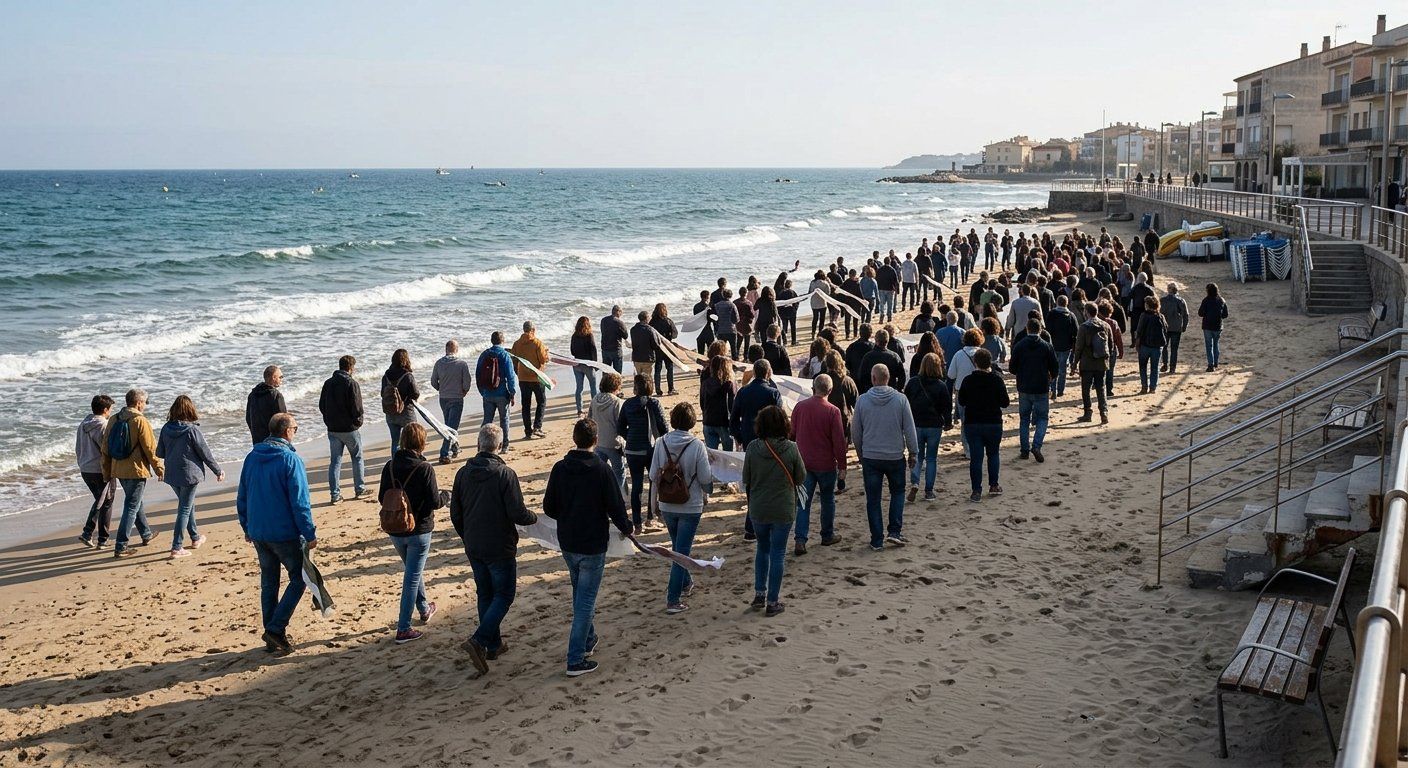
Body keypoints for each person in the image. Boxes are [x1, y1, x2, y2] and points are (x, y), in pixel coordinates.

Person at [542, 418, 634, 676]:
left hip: (569, 542)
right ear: (595, 441)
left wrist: (569, 511)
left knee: (580, 594)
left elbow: (549, 507)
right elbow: (616, 506)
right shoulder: (601, 470)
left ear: (575, 439)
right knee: (585, 601)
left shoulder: (560, 468)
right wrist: (627, 527)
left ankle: (588, 638)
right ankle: (575, 658)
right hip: (591, 544)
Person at [451, 423, 536, 674]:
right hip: (499, 545)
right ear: (498, 446)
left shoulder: (463, 474)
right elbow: (517, 512)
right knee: (504, 595)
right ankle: (479, 640)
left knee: (485, 594)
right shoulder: (504, 474)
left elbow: (455, 512)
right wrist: (535, 518)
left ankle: (494, 645)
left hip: (475, 544)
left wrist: (467, 536)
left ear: (479, 444)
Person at [236, 413, 316, 655]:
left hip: (259, 530)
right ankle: (275, 628)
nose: (296, 431)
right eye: (295, 427)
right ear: (286, 431)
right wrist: (309, 532)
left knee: (269, 582)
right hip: (283, 533)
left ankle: (272, 635)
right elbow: (300, 502)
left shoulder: (252, 457)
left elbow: (242, 495)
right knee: (299, 578)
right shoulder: (290, 459)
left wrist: (247, 526)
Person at [377, 423, 447, 644]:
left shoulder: (389, 466)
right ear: (422, 443)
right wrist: (447, 495)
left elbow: (382, 497)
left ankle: (424, 608)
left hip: (395, 528)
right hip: (419, 530)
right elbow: (435, 502)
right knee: (412, 577)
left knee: (412, 571)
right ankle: (404, 628)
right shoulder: (424, 468)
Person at [741, 405, 804, 617]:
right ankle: (773, 600)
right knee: (778, 553)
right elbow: (801, 477)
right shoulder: (792, 448)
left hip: (759, 507)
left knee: (762, 549)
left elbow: (746, 479)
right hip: (783, 508)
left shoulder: (752, 448)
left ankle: (760, 593)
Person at [650, 403, 713, 613]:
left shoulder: (660, 442)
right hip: (690, 505)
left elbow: (652, 475)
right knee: (680, 553)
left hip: (667, 503)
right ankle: (673, 599)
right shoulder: (696, 445)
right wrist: (710, 488)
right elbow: (705, 478)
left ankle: (685, 583)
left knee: (678, 547)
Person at [852, 364, 917, 551]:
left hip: (871, 456)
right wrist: (913, 452)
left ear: (873, 378)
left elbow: (856, 431)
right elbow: (909, 429)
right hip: (895, 455)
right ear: (888, 378)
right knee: (897, 492)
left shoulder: (862, 401)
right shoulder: (900, 400)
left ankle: (877, 539)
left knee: (873, 499)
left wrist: (860, 453)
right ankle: (894, 531)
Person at [156, 395, 224, 558]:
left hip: (172, 473)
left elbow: (160, 452)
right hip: (189, 474)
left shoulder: (166, 428)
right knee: (185, 508)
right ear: (189, 409)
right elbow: (205, 453)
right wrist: (217, 470)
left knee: (187, 505)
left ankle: (195, 537)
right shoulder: (192, 430)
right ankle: (176, 547)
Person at [103, 389, 164, 558]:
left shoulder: (114, 419)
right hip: (136, 470)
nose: (145, 406)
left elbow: (105, 448)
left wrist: (106, 471)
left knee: (135, 502)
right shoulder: (140, 421)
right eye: (144, 403)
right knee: (132, 505)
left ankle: (146, 534)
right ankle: (121, 545)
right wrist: (159, 468)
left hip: (118, 469)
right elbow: (151, 449)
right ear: (138, 403)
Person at [791, 374, 847, 553]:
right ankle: (827, 534)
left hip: (804, 462)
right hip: (825, 463)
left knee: (803, 503)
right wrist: (843, 466)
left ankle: (800, 539)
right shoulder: (833, 411)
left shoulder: (800, 407)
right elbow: (839, 441)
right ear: (830, 390)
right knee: (827, 499)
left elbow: (791, 434)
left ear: (813, 388)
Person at [617, 374, 668, 534]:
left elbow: (620, 428)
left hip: (632, 450)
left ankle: (637, 523)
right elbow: (664, 427)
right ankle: (650, 517)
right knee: (654, 484)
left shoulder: (627, 404)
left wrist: (630, 437)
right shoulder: (654, 403)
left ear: (636, 387)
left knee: (637, 486)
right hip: (651, 449)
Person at [958, 348, 1009, 502]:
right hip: (993, 422)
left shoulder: (968, 380)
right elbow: (1005, 403)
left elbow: (961, 401)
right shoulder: (996, 379)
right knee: (993, 454)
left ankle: (976, 490)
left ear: (975, 363)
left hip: (973, 423)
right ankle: (993, 485)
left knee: (976, 458)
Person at [902, 353, 951, 502]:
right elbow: (946, 408)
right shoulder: (941, 386)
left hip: (916, 424)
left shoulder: (913, 383)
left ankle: (915, 482)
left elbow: (906, 403)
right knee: (931, 458)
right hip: (934, 425)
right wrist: (948, 422)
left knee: (917, 455)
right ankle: (929, 490)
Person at [319, 355, 367, 503]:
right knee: (357, 457)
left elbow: (321, 405)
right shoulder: (351, 383)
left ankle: (335, 495)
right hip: (349, 428)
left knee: (335, 461)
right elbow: (357, 408)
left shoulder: (328, 383)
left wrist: (328, 419)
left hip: (333, 428)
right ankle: (359, 489)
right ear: (351, 368)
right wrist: (358, 422)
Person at [1009, 318, 1057, 462]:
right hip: (1041, 387)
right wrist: (1051, 377)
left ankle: (1025, 450)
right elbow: (1055, 368)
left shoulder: (1019, 346)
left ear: (1027, 328)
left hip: (1024, 387)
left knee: (1024, 419)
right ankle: (1036, 445)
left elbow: (1012, 368)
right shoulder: (1046, 346)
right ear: (1040, 329)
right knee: (1042, 418)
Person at [76, 394, 116, 549]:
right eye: (110, 409)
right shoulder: (103, 425)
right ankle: (99, 538)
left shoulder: (83, 424)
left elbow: (78, 446)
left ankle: (91, 534)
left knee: (100, 500)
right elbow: (106, 449)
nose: (111, 412)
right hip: (100, 469)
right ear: (105, 410)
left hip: (85, 468)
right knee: (106, 501)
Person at [431, 340, 473, 464]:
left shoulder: (438, 363)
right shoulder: (461, 364)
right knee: (451, 427)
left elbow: (433, 382)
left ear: (446, 350)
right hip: (456, 398)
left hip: (443, 398)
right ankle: (444, 453)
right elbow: (467, 383)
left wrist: (441, 388)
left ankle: (455, 447)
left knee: (449, 425)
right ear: (457, 350)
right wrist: (464, 391)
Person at [477, 331, 519, 451]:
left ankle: (481, 445)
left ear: (491, 340)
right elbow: (510, 376)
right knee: (504, 419)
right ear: (502, 341)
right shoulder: (505, 355)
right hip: (501, 393)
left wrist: (482, 391)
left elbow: (478, 374)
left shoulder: (484, 354)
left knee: (487, 421)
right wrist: (512, 392)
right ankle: (504, 446)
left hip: (487, 393)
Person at [1073, 302, 1111, 424]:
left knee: (1086, 389)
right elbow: (1110, 344)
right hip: (1101, 362)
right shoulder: (1105, 325)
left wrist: (1074, 363)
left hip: (1087, 362)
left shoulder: (1084, 327)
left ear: (1087, 313)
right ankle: (1103, 413)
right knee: (1101, 388)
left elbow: (1078, 347)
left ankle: (1088, 413)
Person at [511, 321, 550, 441]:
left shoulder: (517, 344)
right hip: (536, 377)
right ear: (533, 330)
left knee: (526, 405)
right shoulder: (537, 343)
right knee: (541, 401)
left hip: (523, 378)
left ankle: (528, 431)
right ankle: (537, 427)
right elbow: (543, 360)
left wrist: (518, 373)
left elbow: (514, 360)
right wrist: (547, 354)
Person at [590, 372, 627, 495]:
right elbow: (621, 424)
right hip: (614, 443)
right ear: (616, 387)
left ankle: (601, 495)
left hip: (598, 442)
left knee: (599, 473)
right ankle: (618, 496)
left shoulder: (595, 399)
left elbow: (590, 419)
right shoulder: (617, 402)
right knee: (619, 472)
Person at [382, 349, 420, 448]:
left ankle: (395, 462)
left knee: (395, 442)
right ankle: (414, 461)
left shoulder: (386, 376)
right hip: (406, 412)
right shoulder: (407, 376)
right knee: (413, 439)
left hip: (390, 412)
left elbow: (382, 393)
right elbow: (415, 393)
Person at [699, 355, 736, 451]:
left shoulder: (705, 383)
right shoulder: (728, 384)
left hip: (708, 421)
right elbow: (732, 406)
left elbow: (702, 403)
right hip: (724, 422)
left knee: (712, 456)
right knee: (728, 454)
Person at [1046, 296, 1079, 399]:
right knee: (1062, 369)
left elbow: (1047, 330)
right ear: (1067, 303)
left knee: (1052, 368)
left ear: (1057, 302)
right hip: (1066, 346)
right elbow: (1076, 332)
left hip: (1053, 345)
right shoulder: (1071, 315)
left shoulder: (1051, 314)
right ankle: (1060, 390)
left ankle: (1052, 389)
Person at [245, 365, 287, 445]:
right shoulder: (276, 395)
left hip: (257, 440)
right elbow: (283, 421)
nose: (282, 379)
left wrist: (255, 433)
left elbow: (248, 418)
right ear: (274, 377)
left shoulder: (252, 394)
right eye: (280, 377)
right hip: (274, 442)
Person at [1135, 295, 1169, 394]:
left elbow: (1139, 331)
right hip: (1157, 346)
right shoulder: (1160, 316)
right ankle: (1153, 387)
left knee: (1143, 367)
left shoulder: (1144, 315)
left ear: (1147, 305)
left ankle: (1144, 387)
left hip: (1145, 345)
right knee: (1155, 368)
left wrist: (1137, 344)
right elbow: (1166, 328)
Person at [858, 329, 905, 394]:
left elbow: (861, 377)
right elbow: (902, 377)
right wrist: (897, 390)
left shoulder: (868, 357)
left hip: (872, 393)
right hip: (890, 393)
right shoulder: (894, 357)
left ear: (876, 340)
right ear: (887, 341)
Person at [570, 316, 600, 416]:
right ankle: (595, 408)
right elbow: (593, 349)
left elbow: (572, 351)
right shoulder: (589, 335)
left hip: (577, 364)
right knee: (593, 386)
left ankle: (579, 410)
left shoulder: (574, 336)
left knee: (579, 388)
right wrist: (595, 364)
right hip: (588, 364)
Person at [650, 303, 680, 395]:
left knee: (657, 369)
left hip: (657, 348)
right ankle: (671, 389)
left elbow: (650, 335)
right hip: (667, 347)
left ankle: (658, 390)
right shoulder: (668, 321)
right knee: (669, 368)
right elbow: (675, 334)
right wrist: (669, 335)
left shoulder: (652, 322)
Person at [1199, 282, 1229, 372]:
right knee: (1216, 345)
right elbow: (1225, 314)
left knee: (1209, 346)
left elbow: (1200, 313)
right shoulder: (1221, 300)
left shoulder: (1205, 300)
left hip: (1207, 326)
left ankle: (1210, 365)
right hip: (1218, 326)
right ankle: (1216, 363)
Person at [1160, 283, 1189, 373]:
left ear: (1169, 290)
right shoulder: (1180, 301)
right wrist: (1184, 326)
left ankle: (1165, 364)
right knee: (1174, 348)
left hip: (1165, 326)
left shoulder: (1163, 300)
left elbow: (1159, 313)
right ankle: (1172, 367)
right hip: (1176, 327)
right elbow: (1186, 315)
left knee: (1164, 346)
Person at [600, 306, 629, 374]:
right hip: (616, 349)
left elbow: (603, 331)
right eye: (621, 312)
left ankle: (605, 384)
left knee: (605, 371)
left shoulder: (603, 320)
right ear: (618, 312)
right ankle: (616, 384)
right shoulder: (619, 322)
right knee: (617, 372)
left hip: (605, 349)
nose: (621, 314)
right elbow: (625, 336)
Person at [713, 288, 741, 360]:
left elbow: (714, 318)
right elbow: (737, 319)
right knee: (733, 349)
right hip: (731, 330)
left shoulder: (717, 305)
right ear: (731, 296)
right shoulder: (732, 305)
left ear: (723, 295)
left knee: (721, 350)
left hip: (721, 330)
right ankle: (734, 363)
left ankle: (720, 364)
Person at [807, 271, 832, 340]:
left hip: (814, 303)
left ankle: (813, 333)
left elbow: (810, 292)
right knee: (822, 319)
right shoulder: (825, 283)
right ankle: (820, 333)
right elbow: (828, 293)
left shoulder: (812, 283)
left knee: (815, 318)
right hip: (822, 303)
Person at [692, 290, 716, 355]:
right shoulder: (708, 308)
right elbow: (711, 319)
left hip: (699, 330)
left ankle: (700, 364)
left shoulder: (696, 306)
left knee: (700, 352)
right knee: (711, 351)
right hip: (707, 330)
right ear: (707, 297)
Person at [777, 279, 800, 346]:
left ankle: (784, 341)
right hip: (792, 312)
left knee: (784, 327)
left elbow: (779, 303)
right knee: (793, 326)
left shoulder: (781, 293)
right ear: (790, 285)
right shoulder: (793, 292)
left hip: (783, 312)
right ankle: (793, 341)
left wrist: (780, 311)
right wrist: (795, 309)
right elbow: (797, 301)